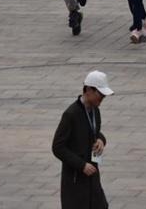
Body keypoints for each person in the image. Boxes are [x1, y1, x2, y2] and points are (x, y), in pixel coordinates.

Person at [52, 70, 112, 209]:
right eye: (100, 94)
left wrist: (101, 140)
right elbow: (57, 147)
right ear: (89, 90)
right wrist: (81, 165)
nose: (102, 98)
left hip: (93, 177)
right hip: (75, 181)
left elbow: (94, 132)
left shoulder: (95, 110)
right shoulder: (71, 114)